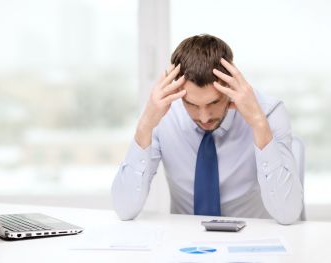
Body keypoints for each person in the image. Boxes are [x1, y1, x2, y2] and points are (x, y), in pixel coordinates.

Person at [111, 34, 303, 224]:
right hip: (185, 244)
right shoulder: (164, 114)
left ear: (230, 85)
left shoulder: (269, 112)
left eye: (214, 102)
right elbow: (124, 209)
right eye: (192, 104)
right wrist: (145, 125)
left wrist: (258, 124)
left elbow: (287, 214)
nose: (204, 118)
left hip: (252, 241)